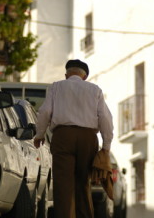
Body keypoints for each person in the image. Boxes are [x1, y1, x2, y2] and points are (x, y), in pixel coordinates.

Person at [34, 59, 113, 218]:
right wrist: (106, 146)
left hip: (63, 137)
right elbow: (105, 118)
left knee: (63, 186)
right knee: (83, 184)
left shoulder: (56, 87)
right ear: (84, 77)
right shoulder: (95, 90)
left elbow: (44, 112)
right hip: (88, 138)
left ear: (66, 74)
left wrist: (40, 134)